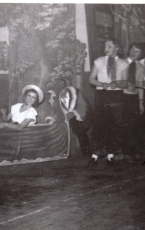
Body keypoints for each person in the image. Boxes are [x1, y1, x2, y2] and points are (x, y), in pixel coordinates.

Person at [88, 38, 128, 166]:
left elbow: (125, 83)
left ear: (117, 48)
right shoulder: (99, 61)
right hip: (102, 95)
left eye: (109, 46)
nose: (106, 49)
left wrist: (117, 83)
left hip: (117, 96)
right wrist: (101, 84)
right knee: (100, 124)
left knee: (114, 124)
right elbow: (91, 80)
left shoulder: (123, 63)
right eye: (105, 46)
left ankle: (110, 155)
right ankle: (95, 155)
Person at [122, 43, 145, 162]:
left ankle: (136, 151)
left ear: (141, 54)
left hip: (134, 99)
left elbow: (141, 86)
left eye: (137, 51)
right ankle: (125, 152)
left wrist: (141, 102)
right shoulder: (121, 63)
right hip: (122, 97)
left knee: (135, 126)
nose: (134, 53)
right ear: (129, 50)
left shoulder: (141, 68)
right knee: (124, 125)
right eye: (132, 50)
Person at [60, 86, 93, 157]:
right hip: (71, 115)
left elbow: (83, 105)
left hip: (82, 113)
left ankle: (87, 152)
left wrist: (79, 115)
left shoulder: (75, 92)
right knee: (78, 132)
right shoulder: (58, 94)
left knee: (81, 131)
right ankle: (85, 152)